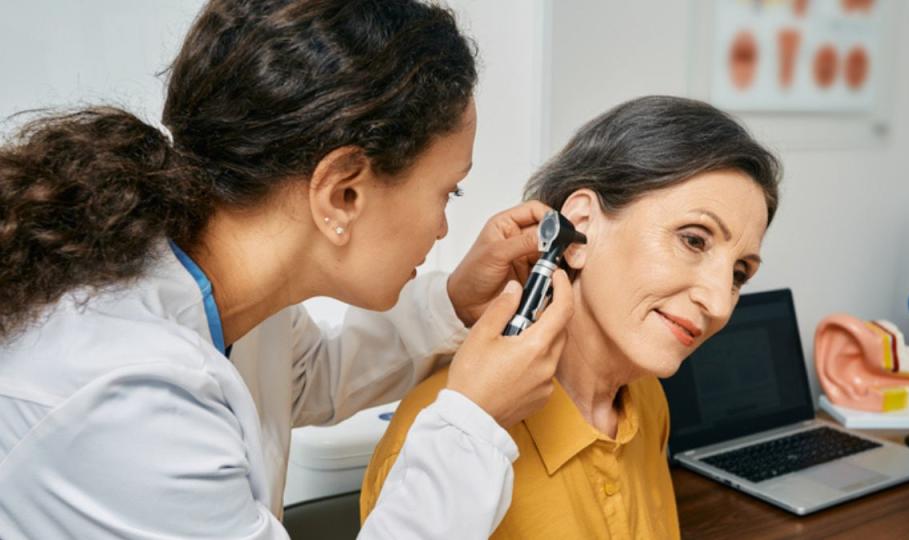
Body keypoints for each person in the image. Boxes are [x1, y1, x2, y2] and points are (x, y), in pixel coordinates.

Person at [0, 1, 573, 538]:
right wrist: (472, 424)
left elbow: (305, 376)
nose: (444, 227)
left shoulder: (224, 289)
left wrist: (452, 302)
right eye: (450, 190)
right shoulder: (126, 397)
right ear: (343, 193)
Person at [361, 95, 782, 539]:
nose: (719, 303)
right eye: (694, 241)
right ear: (581, 226)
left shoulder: (647, 401)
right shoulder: (440, 439)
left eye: (739, 274)